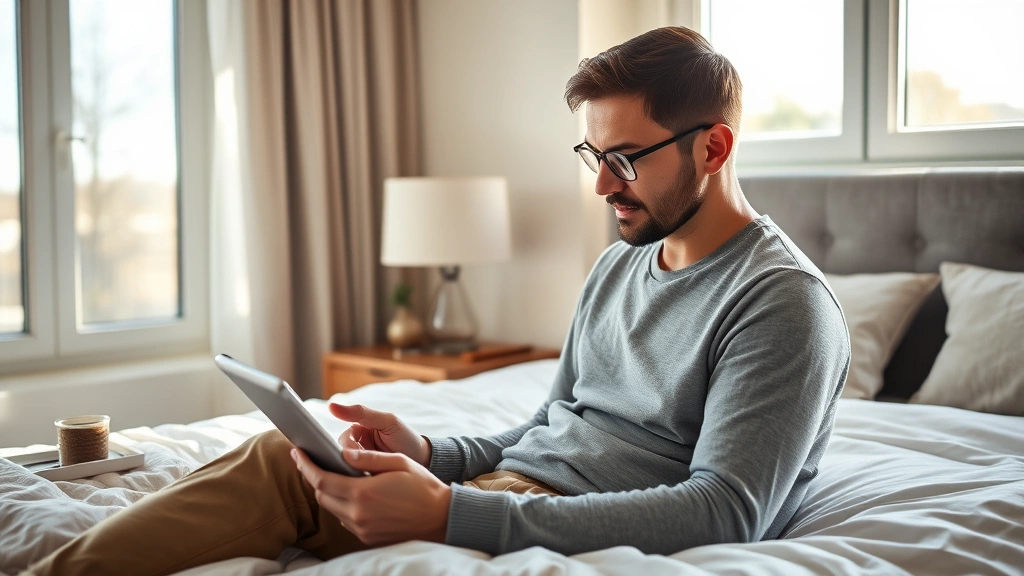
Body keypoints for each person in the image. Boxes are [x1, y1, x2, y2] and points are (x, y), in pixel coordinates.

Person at [25, 26, 849, 576]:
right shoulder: (618, 265)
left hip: (561, 519)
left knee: (279, 476)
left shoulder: (781, 304)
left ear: (715, 145)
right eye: (591, 154)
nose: (600, 185)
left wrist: (453, 515)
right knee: (284, 457)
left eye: (625, 159)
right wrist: (430, 452)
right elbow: (545, 430)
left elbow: (728, 511)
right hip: (511, 489)